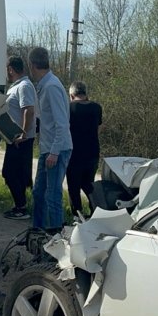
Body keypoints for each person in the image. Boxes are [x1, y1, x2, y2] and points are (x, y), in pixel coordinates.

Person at [27, 47, 73, 233]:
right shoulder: (45, 85)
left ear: (32, 65)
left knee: (52, 195)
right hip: (48, 148)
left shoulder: (52, 87)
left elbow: (61, 124)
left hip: (58, 149)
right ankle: (37, 231)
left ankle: (55, 236)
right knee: (39, 193)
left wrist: (54, 152)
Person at [2, 56, 36, 220]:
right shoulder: (16, 86)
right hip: (13, 138)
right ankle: (19, 206)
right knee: (15, 174)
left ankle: (21, 208)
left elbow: (28, 110)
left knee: (10, 173)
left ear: (10, 69)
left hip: (20, 140)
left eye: (6, 70)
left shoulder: (24, 86)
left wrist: (23, 133)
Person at [66, 81, 102, 218]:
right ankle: (95, 209)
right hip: (93, 151)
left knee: (73, 186)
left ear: (72, 94)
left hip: (74, 153)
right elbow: (98, 128)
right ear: (85, 93)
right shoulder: (96, 107)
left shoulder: (69, 108)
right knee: (89, 184)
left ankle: (77, 214)